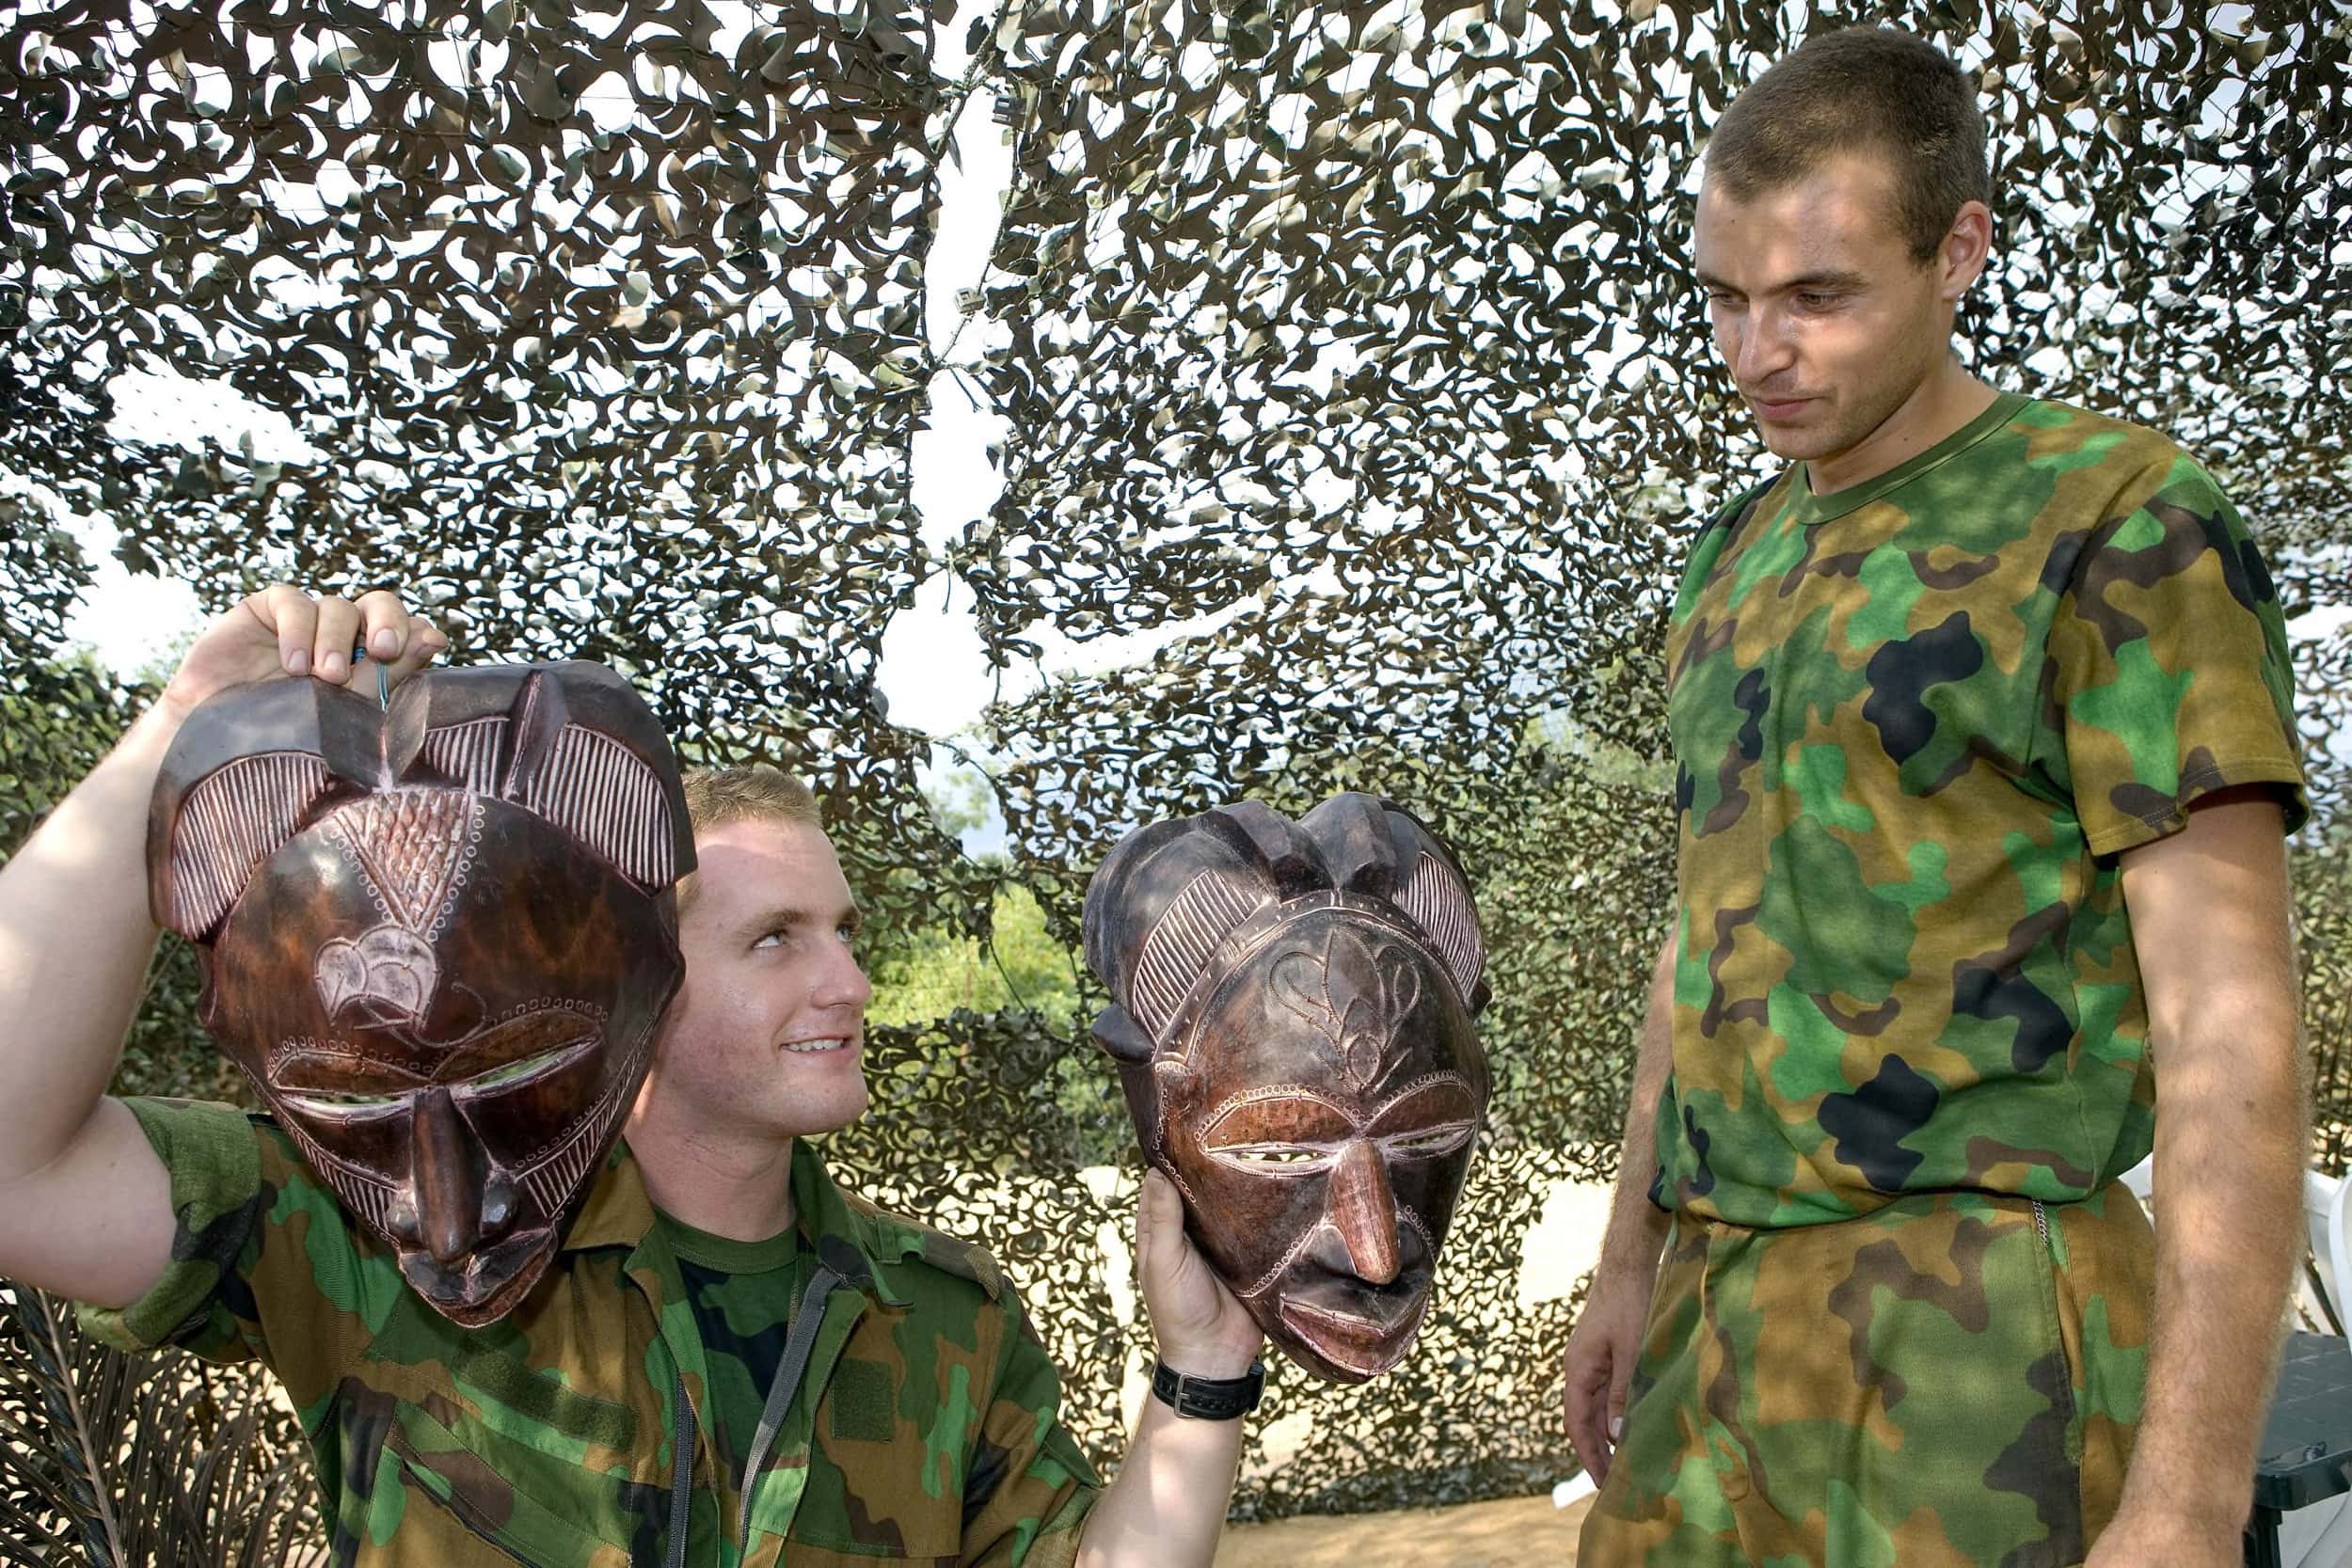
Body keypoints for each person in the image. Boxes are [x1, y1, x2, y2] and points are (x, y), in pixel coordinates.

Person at [0, 584, 1263, 1567]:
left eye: (846, 934)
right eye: (777, 942)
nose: (853, 986)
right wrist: (179, 729)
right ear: (632, 981)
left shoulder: (943, 1319)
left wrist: (1201, 1378)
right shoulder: (374, 1235)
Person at [1560, 25, 2310, 1568]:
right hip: (1721, 1334)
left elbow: (2234, 1031)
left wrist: (2183, 1502)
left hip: (1988, 1342)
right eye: (1726, 297)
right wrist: (1628, 1257)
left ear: (1959, 250)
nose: (1758, 353)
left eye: (1819, 298)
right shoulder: (1734, 555)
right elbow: (1705, 930)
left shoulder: (2115, 517)